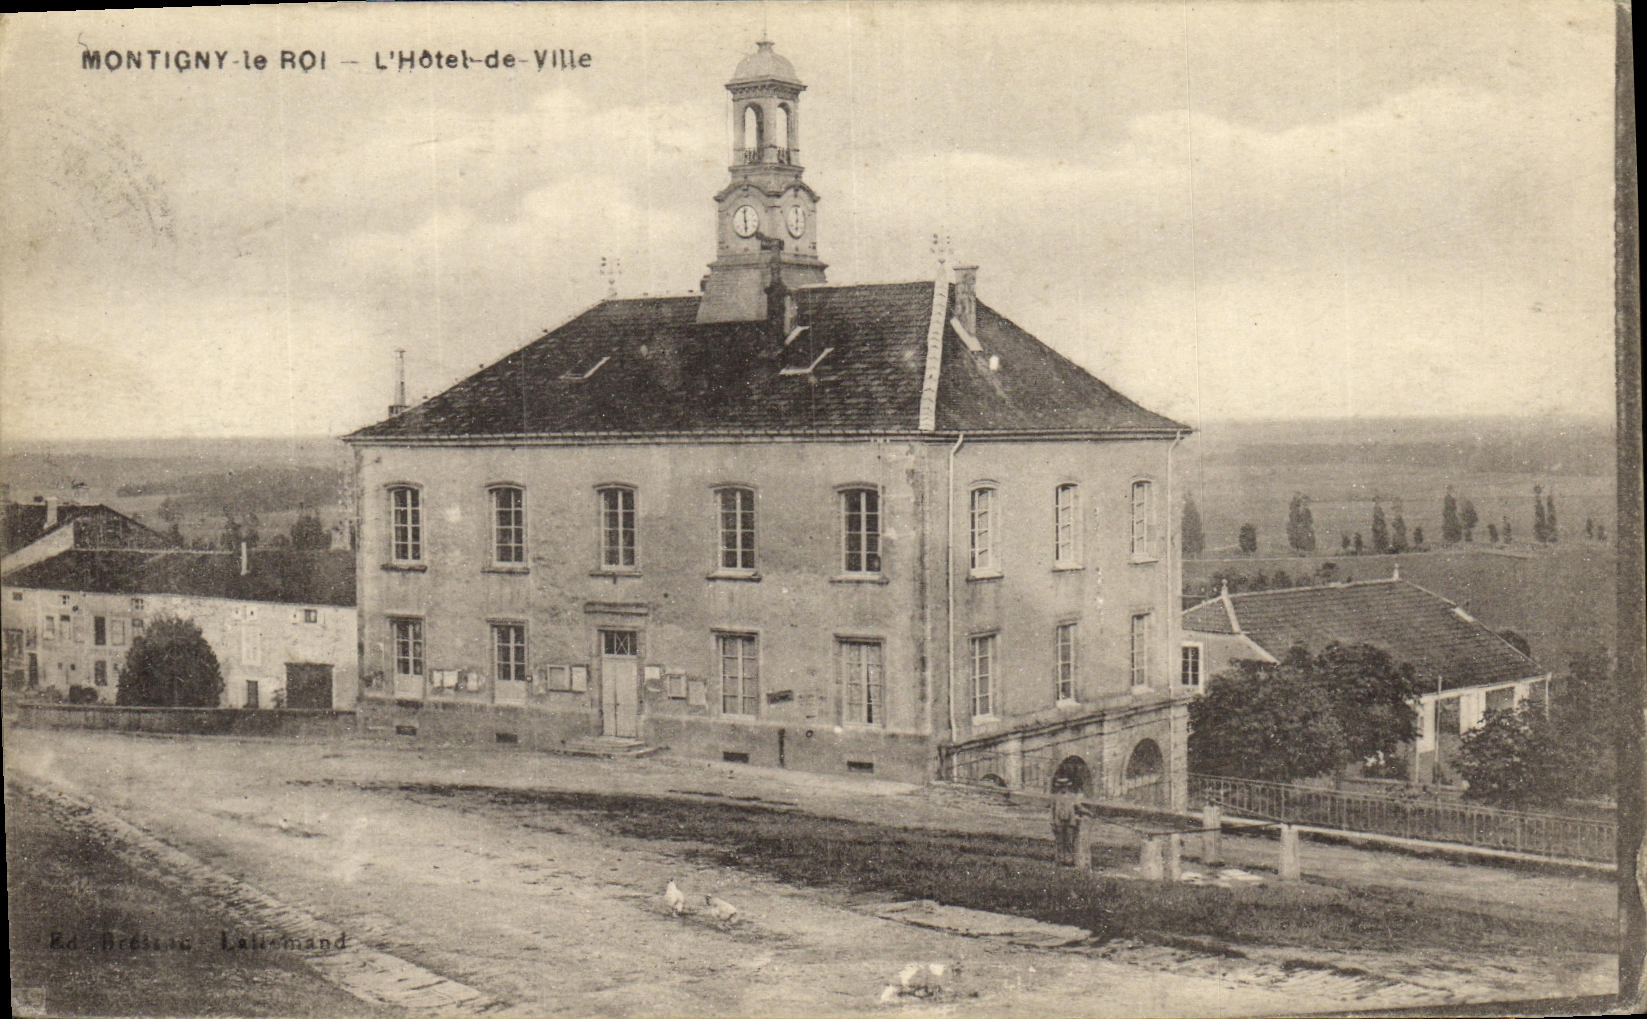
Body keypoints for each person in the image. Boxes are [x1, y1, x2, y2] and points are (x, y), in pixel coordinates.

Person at [1051, 777, 1081, 866]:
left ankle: (1069, 860)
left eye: (1065, 786)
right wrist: (1052, 822)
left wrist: (1088, 812)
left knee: (1069, 841)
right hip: (1059, 821)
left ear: (1068, 787)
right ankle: (1060, 860)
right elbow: (1052, 810)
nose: (1063, 788)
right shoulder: (1056, 797)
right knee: (1060, 841)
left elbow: (1078, 807)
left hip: (1069, 822)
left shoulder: (1072, 796)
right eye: (1061, 786)